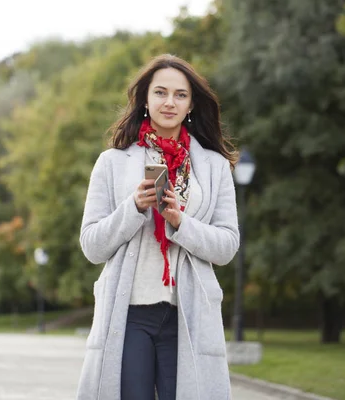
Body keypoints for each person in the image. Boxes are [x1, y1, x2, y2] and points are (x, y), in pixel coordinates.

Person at [76, 54, 240, 400]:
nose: (170, 102)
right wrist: (133, 207)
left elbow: (227, 247)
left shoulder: (214, 167)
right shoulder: (112, 162)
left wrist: (182, 222)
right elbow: (92, 246)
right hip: (130, 312)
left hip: (189, 315)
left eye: (180, 94)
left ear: (192, 103)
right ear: (145, 100)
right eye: (161, 92)